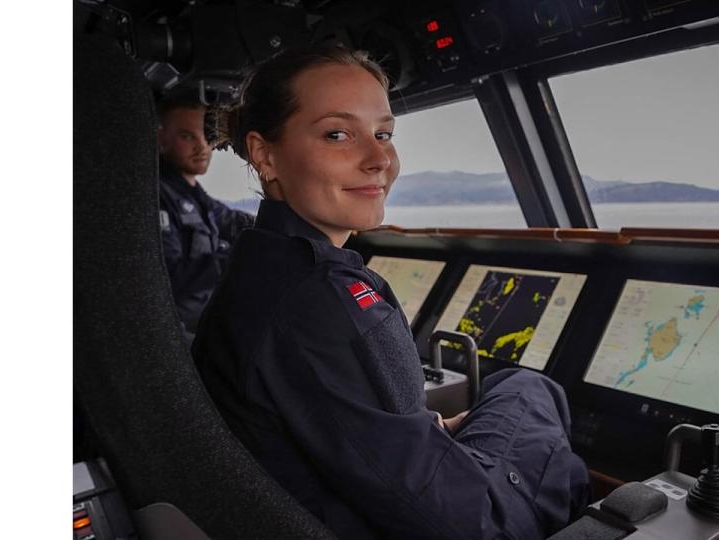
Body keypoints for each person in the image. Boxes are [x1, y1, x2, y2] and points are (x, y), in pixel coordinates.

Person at [192, 44, 590, 539]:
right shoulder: (320, 299)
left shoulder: (260, 266)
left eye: (383, 134)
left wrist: (429, 431)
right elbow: (471, 527)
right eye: (338, 134)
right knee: (529, 387)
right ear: (264, 155)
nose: (379, 158)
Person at [156, 93, 255, 334]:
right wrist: (235, 257)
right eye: (187, 136)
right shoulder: (157, 196)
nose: (202, 146)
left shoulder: (195, 195)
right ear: (160, 139)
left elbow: (234, 221)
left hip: (206, 317)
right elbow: (169, 278)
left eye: (206, 135)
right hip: (180, 331)